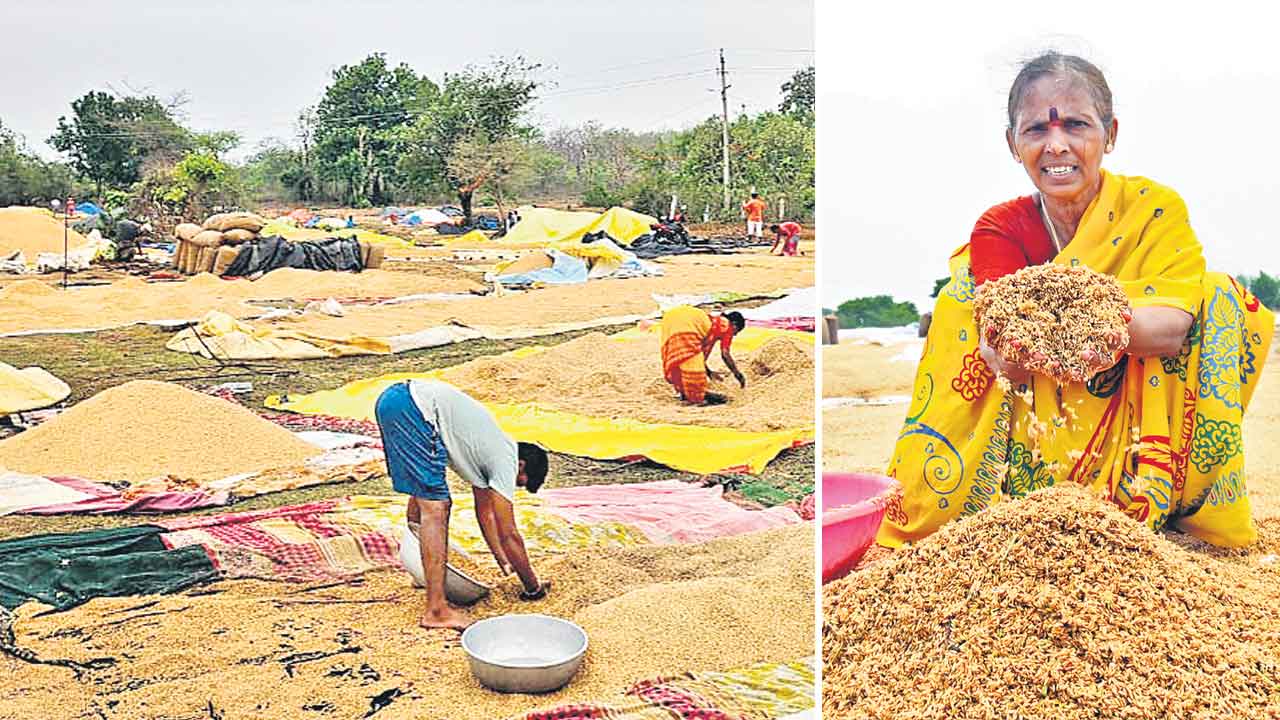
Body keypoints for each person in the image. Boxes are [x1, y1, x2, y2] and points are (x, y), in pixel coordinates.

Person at [881, 52, 1274, 550]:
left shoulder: (1153, 210)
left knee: (1217, 293)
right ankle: (1030, 503)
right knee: (958, 299)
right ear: (1012, 143)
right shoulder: (1001, 228)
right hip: (1041, 440)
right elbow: (1004, 352)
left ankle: (1175, 503)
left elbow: (1171, 326)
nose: (1057, 145)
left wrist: (1066, 325)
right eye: (1035, 131)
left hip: (1140, 413)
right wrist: (1040, 338)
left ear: (1109, 135)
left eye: (1076, 125)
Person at [374, 379, 551, 630]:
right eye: (519, 483)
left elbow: (485, 515)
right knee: (437, 506)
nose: (512, 487)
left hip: (396, 399)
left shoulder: (486, 452)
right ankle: (436, 610)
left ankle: (420, 572)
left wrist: (502, 560)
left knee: (422, 494)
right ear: (522, 466)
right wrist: (532, 586)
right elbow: (508, 533)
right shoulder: (506, 458)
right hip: (416, 407)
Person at [659, 306, 747, 405]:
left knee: (683, 359)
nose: (734, 335)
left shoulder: (713, 322)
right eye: (736, 332)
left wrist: (709, 373)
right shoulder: (727, 326)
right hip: (686, 323)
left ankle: (685, 392)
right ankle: (695, 395)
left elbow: (698, 354)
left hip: (671, 318)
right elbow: (725, 354)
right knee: (694, 370)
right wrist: (738, 375)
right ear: (735, 324)